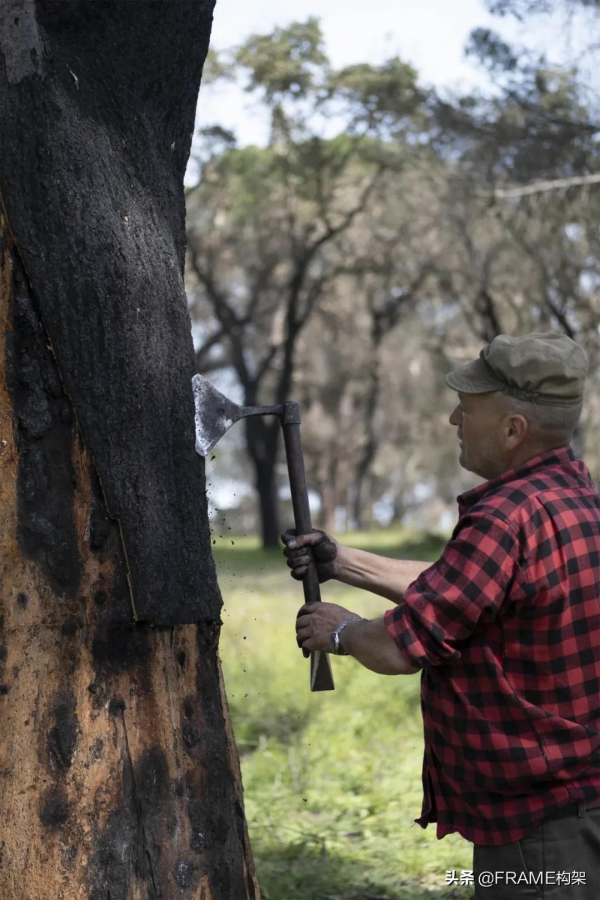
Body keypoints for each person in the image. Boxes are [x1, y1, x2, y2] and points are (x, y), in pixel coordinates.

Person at [282, 332, 600, 899]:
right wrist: (342, 560)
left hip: (537, 832)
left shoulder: (503, 518)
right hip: (578, 808)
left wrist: (342, 632)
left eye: (468, 408)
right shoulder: (572, 495)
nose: (454, 417)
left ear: (511, 430)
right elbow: (463, 591)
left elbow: (398, 649)